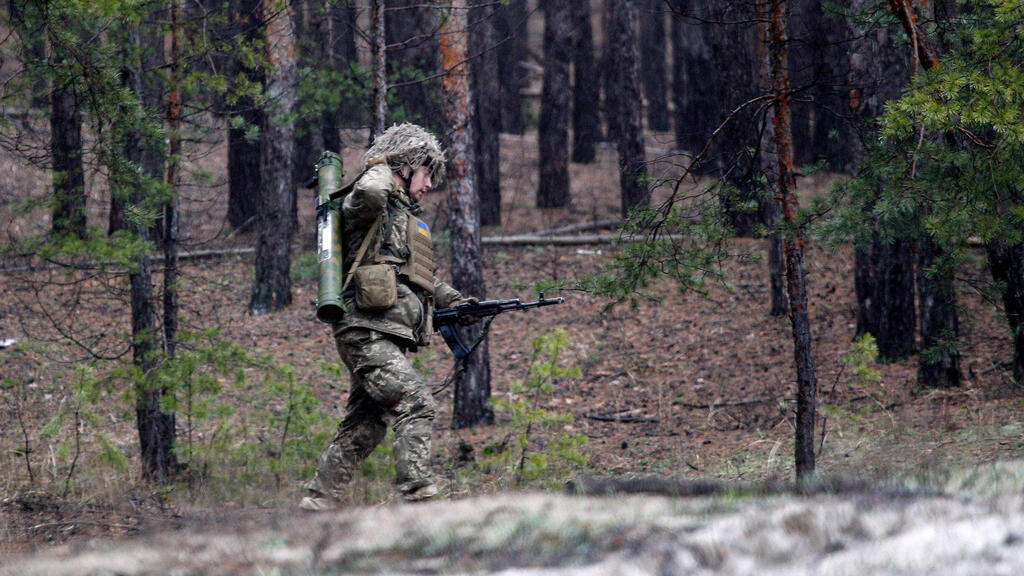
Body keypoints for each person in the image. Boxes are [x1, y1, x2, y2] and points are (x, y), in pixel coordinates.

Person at [300, 123, 474, 510]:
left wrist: (455, 302)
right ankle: (417, 496)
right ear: (406, 166)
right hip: (365, 331)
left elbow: (415, 277)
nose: (429, 184)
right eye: (426, 172)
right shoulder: (368, 200)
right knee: (416, 403)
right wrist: (384, 164)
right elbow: (370, 191)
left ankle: (318, 503)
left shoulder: (403, 218)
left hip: (382, 331)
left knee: (365, 425)